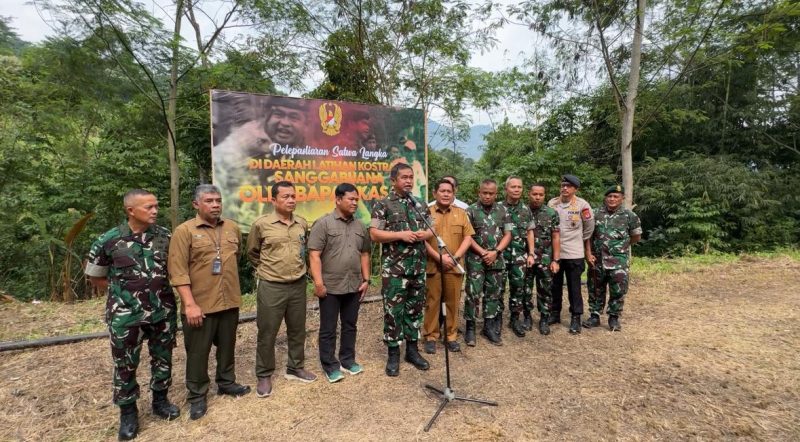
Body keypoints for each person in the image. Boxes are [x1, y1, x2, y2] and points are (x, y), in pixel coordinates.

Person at [85, 189, 179, 441]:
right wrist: (123, 292)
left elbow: (175, 270)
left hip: (162, 310)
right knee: (125, 363)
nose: (155, 211)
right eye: (148, 207)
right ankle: (128, 412)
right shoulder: (109, 240)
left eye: (156, 206)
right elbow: (95, 276)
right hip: (126, 316)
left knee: (163, 358)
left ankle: (160, 400)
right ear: (130, 210)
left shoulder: (165, 237)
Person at [168, 185, 251, 421]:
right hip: (200, 305)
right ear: (196, 204)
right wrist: (190, 304)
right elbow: (178, 271)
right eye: (209, 201)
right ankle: (197, 396)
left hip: (229, 301)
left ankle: (226, 382)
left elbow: (237, 256)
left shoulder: (231, 227)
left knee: (227, 347)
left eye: (218, 200)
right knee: (197, 353)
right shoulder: (184, 232)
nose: (215, 205)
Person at [247, 181, 317, 398]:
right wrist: (268, 271)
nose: (291, 200)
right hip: (271, 286)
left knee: (298, 329)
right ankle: (264, 373)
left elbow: (303, 251)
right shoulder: (261, 225)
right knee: (267, 331)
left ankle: (295, 367)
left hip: (297, 285)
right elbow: (252, 253)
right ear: (274, 200)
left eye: (294, 196)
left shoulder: (301, 224)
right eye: (286, 196)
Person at [370, 163, 434, 377]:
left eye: (411, 177)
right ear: (393, 180)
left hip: (417, 268)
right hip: (395, 271)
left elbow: (431, 228)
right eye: (404, 177)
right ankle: (393, 354)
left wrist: (425, 234)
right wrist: (401, 235)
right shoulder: (383, 204)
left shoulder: (420, 204)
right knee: (393, 312)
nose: (408, 181)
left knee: (414, 310)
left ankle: (412, 351)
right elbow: (375, 234)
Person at [308, 183, 371, 383]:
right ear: (337, 199)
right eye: (350, 199)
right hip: (330, 286)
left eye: (356, 200)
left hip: (353, 284)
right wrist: (318, 283)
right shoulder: (323, 224)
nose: (354, 203)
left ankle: (347, 360)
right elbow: (314, 255)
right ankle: (330, 365)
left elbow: (365, 253)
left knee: (350, 325)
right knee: (328, 328)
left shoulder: (360, 226)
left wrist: (366, 279)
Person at [423, 179, 475, 354]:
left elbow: (468, 237)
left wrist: (456, 257)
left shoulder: (461, 213)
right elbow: (423, 240)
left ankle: (451, 336)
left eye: (449, 191)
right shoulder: (426, 213)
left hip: (454, 265)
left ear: (454, 194)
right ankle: (431, 336)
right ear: (434, 193)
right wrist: (438, 257)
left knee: (453, 302)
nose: (446, 194)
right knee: (433, 302)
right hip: (433, 265)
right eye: (442, 191)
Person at [583, 185, 642, 331]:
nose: (612, 199)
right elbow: (588, 236)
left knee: (618, 289)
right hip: (597, 259)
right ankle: (595, 315)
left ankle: (614, 317)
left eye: (616, 196)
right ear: (605, 198)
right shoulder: (595, 213)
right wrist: (588, 254)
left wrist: (620, 247)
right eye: (609, 196)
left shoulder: (629, 216)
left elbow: (636, 236)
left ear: (622, 198)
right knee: (595, 288)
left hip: (619, 261)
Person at [465, 179, 512, 346]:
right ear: (479, 193)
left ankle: (489, 326)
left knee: (493, 293)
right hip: (475, 259)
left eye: (491, 193)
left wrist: (496, 252)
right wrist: (483, 252)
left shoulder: (503, 211)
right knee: (473, 293)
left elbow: (507, 234)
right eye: (484, 193)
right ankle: (470, 327)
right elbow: (467, 237)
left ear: (496, 194)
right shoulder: (470, 211)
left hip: (496, 258)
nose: (487, 196)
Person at [548, 174, 595, 334]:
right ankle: (555, 313)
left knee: (574, 287)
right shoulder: (552, 203)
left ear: (575, 189)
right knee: (554, 285)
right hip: (555, 254)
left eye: (568, 186)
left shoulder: (582, 205)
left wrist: (580, 243)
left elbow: (589, 227)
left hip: (574, 253)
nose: (564, 188)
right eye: (563, 185)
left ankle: (576, 317)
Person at [498, 176, 533, 338]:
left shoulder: (526, 209)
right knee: (497, 289)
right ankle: (495, 319)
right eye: (513, 187)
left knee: (518, 288)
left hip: (519, 256)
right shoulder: (497, 208)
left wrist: (531, 253)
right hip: (500, 256)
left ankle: (515, 318)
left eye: (519, 187)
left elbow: (530, 232)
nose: (517, 190)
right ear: (506, 189)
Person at [525, 183, 561, 335]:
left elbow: (556, 236)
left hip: (545, 258)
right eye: (535, 194)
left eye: (541, 194)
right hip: (525, 257)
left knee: (545, 290)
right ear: (529, 194)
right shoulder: (522, 211)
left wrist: (556, 260)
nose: (537, 197)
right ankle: (526, 316)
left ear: (544, 196)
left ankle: (544, 318)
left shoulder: (551, 213)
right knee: (524, 289)